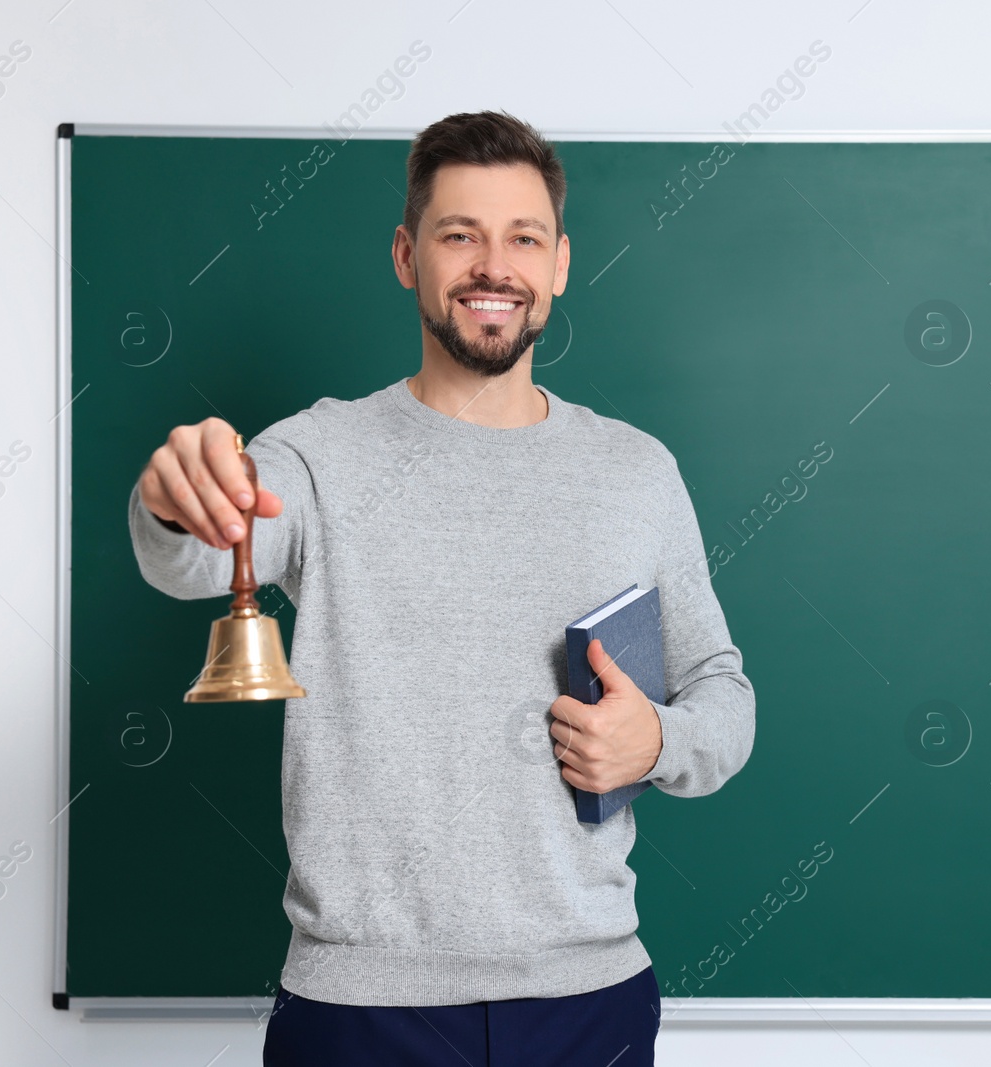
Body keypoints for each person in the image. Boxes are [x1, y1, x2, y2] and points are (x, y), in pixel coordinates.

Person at [128, 110, 756, 1066]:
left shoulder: (636, 471)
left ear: (559, 264)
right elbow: (202, 560)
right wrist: (173, 499)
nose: (492, 266)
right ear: (405, 254)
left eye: (523, 238)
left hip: (590, 1000)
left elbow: (723, 690)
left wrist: (659, 737)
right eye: (459, 234)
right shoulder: (314, 453)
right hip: (360, 1012)